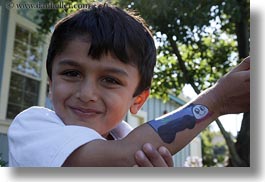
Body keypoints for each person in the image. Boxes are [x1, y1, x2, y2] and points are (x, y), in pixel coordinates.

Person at [7, 3, 250, 167]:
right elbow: (126, 153)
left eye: (110, 80)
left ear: (139, 100)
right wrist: (217, 101)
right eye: (72, 73)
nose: (86, 93)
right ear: (51, 83)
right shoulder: (32, 128)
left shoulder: (129, 138)